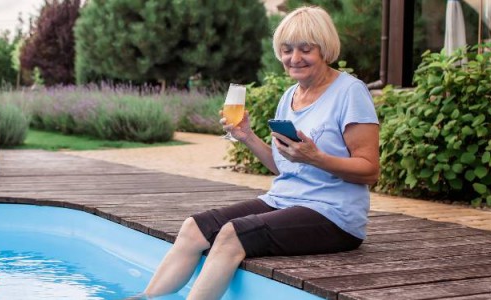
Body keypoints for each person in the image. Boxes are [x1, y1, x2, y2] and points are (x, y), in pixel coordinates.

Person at [141, 6, 380, 300]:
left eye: (306, 49)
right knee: (193, 228)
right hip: (283, 201)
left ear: (325, 49)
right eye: (287, 50)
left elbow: (370, 170)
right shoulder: (289, 96)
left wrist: (314, 157)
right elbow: (284, 167)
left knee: (231, 234)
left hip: (335, 216)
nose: (294, 58)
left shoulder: (350, 92)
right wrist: (247, 137)